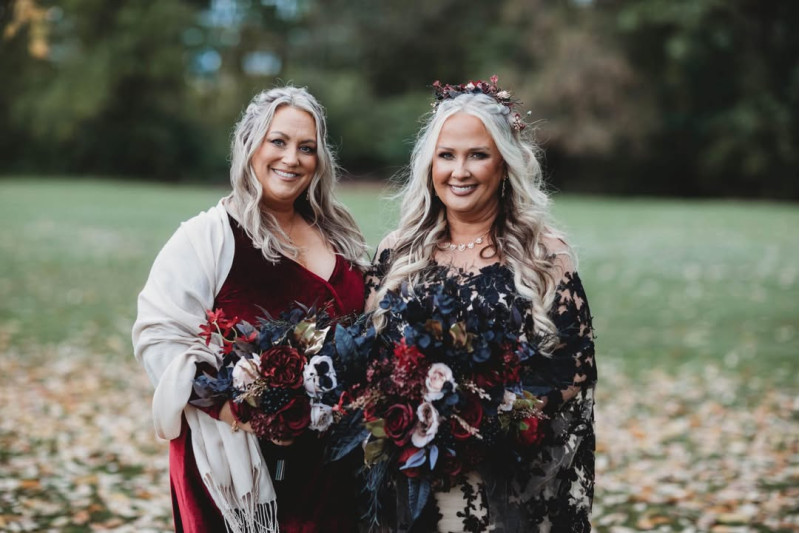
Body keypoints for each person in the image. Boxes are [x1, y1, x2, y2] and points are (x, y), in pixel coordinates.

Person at [132, 86, 368, 533]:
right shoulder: (209, 237)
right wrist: (242, 412)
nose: (291, 159)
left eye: (306, 148)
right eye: (277, 141)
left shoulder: (340, 234)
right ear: (249, 144)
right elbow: (158, 340)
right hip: (239, 468)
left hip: (334, 469)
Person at [365, 78, 597, 532]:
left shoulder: (544, 255)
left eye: (478, 155)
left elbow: (576, 369)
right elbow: (371, 357)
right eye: (447, 155)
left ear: (504, 165)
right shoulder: (398, 252)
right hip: (412, 481)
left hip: (508, 488)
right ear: (430, 164)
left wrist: (493, 420)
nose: (460, 171)